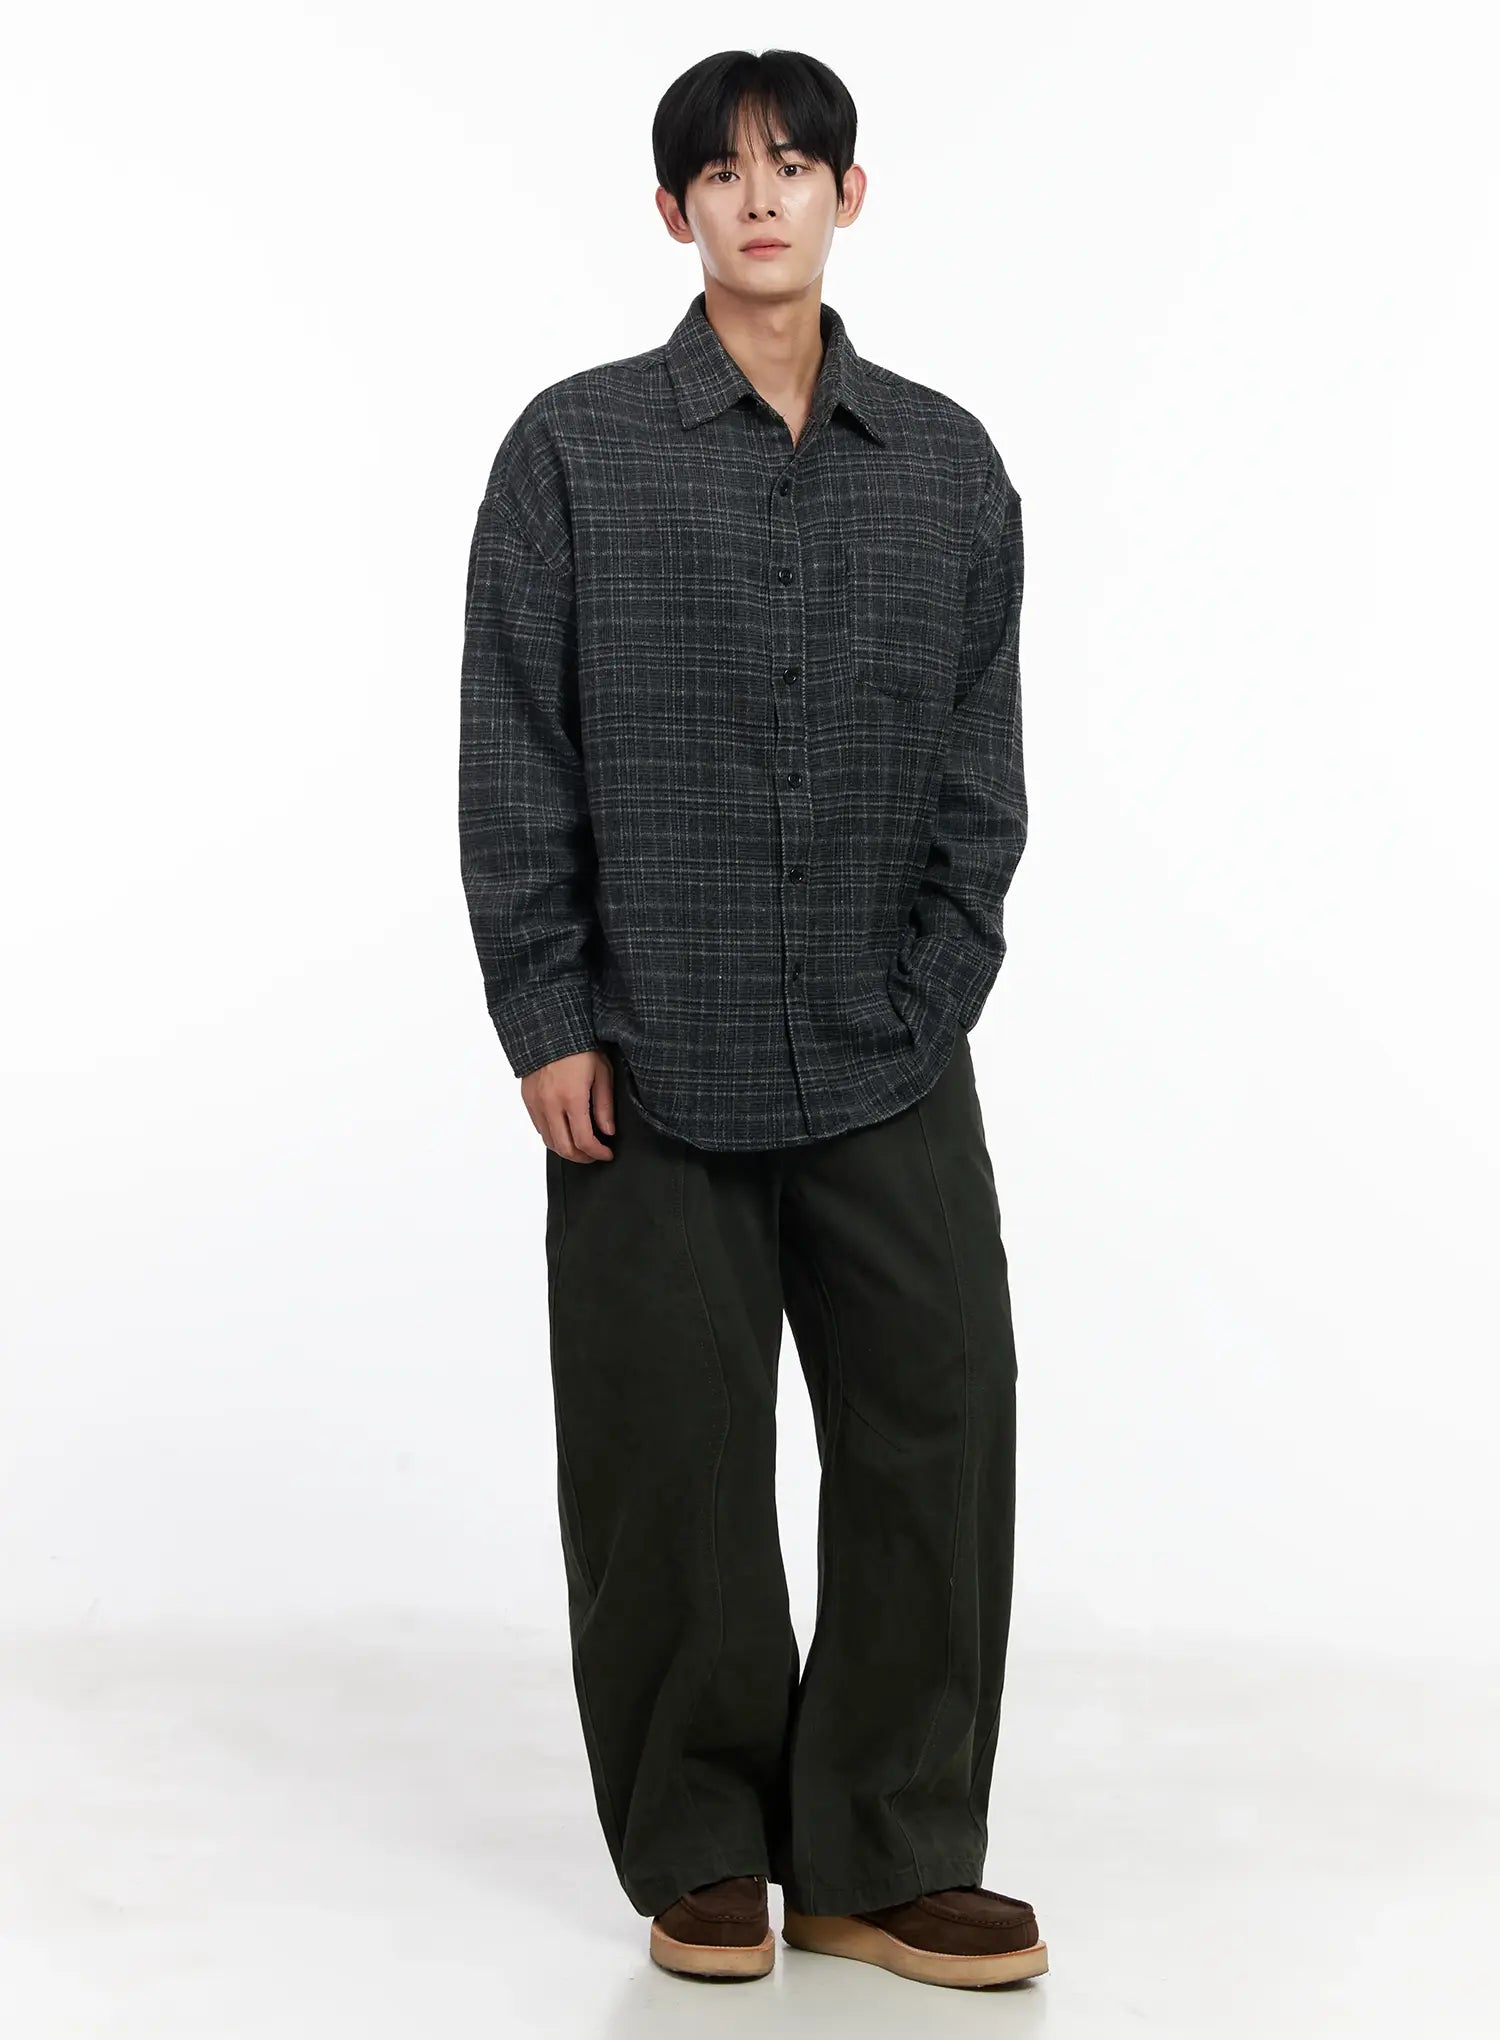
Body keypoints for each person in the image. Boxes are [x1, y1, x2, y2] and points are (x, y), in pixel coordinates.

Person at [458, 46, 1046, 1994]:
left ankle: (887, 1853)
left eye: (796, 163)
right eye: (722, 172)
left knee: (935, 1431)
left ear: (850, 195)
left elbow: (980, 776)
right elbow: (513, 748)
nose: (762, 195)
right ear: (674, 214)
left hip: (890, 1046)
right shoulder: (574, 451)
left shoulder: (947, 466)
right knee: (668, 1461)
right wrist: (549, 1010)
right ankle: (703, 1844)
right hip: (644, 1051)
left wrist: (935, 991)